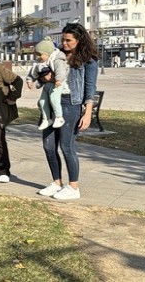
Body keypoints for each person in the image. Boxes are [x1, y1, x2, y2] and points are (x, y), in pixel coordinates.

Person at [32, 23, 98, 200]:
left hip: (71, 104)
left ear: (79, 40)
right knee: (48, 145)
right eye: (62, 39)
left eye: (69, 40)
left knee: (66, 146)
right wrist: (42, 77)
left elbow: (90, 87)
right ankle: (56, 182)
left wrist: (87, 113)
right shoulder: (56, 54)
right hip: (53, 102)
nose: (64, 43)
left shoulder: (88, 60)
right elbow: (42, 72)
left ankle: (73, 187)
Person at [26, 37, 68, 130]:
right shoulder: (39, 62)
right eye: (37, 55)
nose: (39, 57)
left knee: (54, 98)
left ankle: (59, 117)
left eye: (41, 54)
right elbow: (33, 72)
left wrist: (58, 79)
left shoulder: (57, 59)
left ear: (48, 53)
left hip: (57, 83)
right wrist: (29, 80)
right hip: (47, 85)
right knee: (42, 101)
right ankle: (46, 119)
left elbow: (61, 70)